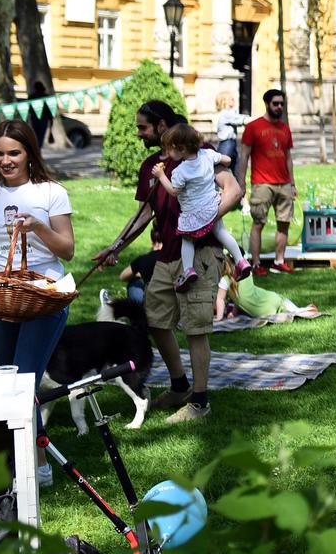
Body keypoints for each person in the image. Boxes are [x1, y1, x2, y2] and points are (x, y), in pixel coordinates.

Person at [93, 102, 242, 423]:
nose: (138, 133)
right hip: (168, 256)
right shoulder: (151, 166)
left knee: (196, 328)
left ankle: (199, 403)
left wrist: (206, 220)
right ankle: (179, 386)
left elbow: (234, 190)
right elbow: (144, 214)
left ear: (161, 126)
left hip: (201, 253)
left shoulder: (197, 153)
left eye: (143, 127)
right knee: (157, 320)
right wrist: (115, 247)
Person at [0, 120, 74, 391]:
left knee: (24, 382)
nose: (5, 161)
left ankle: (32, 422)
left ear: (29, 153)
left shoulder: (51, 191)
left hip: (44, 298)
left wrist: (38, 226)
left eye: (14, 153)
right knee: (9, 382)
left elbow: (67, 250)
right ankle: (25, 422)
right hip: (1, 299)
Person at [152, 123, 250, 291]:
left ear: (181, 148)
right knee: (221, 232)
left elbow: (174, 191)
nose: (168, 153)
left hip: (193, 214)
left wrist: (161, 176)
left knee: (187, 240)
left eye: (170, 149)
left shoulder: (180, 172)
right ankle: (241, 260)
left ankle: (188, 270)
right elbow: (227, 160)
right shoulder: (207, 155)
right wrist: (222, 161)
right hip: (212, 206)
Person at [238, 88, 296, 275]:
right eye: (275, 103)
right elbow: (244, 156)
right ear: (267, 104)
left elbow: (288, 158)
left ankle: (279, 261)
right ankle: (256, 264)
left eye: (281, 104)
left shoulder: (285, 128)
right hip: (262, 183)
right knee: (258, 223)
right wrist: (241, 183)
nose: (279, 107)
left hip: (284, 183)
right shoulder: (253, 127)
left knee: (284, 223)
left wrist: (292, 183)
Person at [216, 255, 315, 321]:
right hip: (268, 301)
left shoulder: (224, 281)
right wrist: (234, 313)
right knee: (281, 302)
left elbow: (220, 299)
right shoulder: (246, 273)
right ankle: (302, 310)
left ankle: (302, 310)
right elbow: (240, 296)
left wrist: (219, 318)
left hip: (263, 310)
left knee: (281, 304)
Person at [212, 92, 245, 168]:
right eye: (231, 99)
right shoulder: (226, 114)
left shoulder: (229, 113)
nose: (234, 100)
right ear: (224, 101)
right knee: (221, 168)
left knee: (237, 169)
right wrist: (261, 119)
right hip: (226, 144)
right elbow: (242, 119)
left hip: (231, 144)